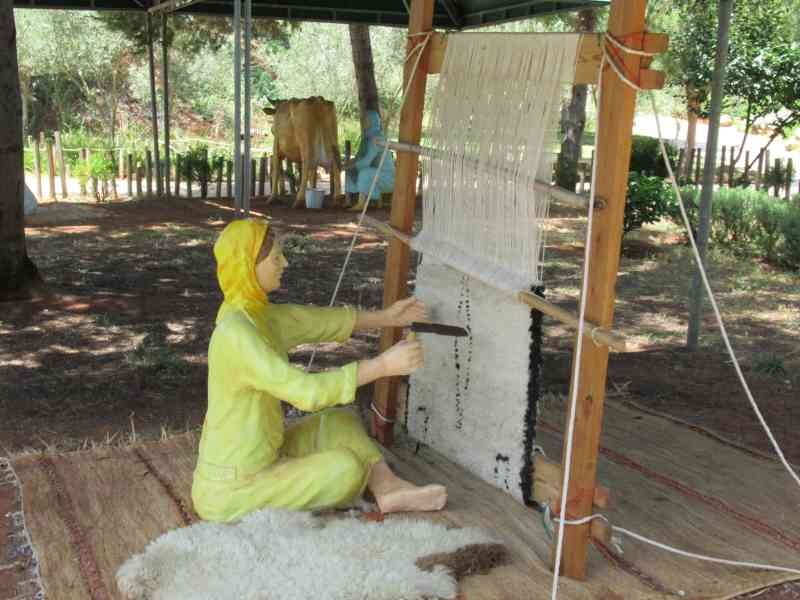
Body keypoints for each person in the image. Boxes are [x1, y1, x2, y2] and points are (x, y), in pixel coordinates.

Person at [191, 218, 447, 522]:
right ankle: (365, 482)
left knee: (340, 420)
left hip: (269, 453)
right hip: (233, 486)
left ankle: (388, 487)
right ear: (249, 267)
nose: (284, 263)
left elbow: (319, 321)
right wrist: (382, 366)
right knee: (347, 469)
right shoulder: (237, 334)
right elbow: (306, 393)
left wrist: (388, 317)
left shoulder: (256, 314)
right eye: (276, 257)